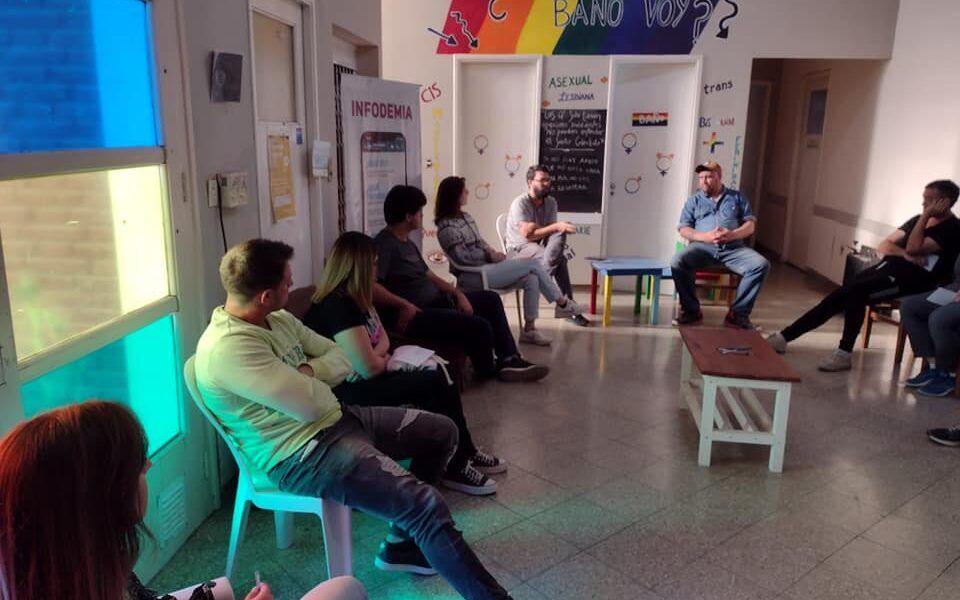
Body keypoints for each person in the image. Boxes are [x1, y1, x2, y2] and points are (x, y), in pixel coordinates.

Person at [195, 239, 513, 599]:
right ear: (265, 296)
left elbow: (341, 358)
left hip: (337, 420)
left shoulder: (277, 318)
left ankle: (402, 545)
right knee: (424, 505)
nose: (293, 283)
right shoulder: (229, 349)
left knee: (442, 431)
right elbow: (310, 404)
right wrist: (318, 380)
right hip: (302, 455)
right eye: (286, 281)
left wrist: (305, 372)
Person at [0, 400, 366, 600]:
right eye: (136, 465)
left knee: (222, 591)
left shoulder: (63, 564)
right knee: (344, 589)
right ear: (99, 501)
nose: (148, 464)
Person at [304, 231, 505, 496]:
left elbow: (382, 339)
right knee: (435, 381)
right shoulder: (337, 306)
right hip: (347, 393)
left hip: (367, 376)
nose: (376, 270)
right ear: (358, 267)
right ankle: (455, 465)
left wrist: (379, 355)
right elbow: (368, 368)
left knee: (440, 370)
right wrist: (381, 359)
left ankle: (464, 451)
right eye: (373, 264)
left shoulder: (359, 298)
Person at [768, 179, 960, 372]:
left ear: (945, 201)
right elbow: (884, 245)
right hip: (887, 270)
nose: (923, 203)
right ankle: (785, 337)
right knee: (843, 293)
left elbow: (913, 247)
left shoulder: (952, 228)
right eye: (924, 198)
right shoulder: (917, 219)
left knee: (856, 292)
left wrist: (924, 219)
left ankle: (842, 352)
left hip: (913, 281)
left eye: (929, 199)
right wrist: (904, 254)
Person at [373, 184, 549, 383]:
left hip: (436, 301)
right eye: (419, 211)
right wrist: (403, 305)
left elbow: (430, 276)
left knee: (490, 299)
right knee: (480, 326)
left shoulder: (407, 243)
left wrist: (458, 294)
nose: (422, 216)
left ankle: (509, 359)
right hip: (417, 313)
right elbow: (372, 287)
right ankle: (488, 370)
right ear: (408, 216)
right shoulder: (384, 245)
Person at [434, 175, 586, 346]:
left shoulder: (466, 217)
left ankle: (529, 331)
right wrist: (490, 257)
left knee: (532, 278)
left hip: (488, 267)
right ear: (454, 195)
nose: (467, 192)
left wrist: (492, 252)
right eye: (464, 190)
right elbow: (463, 258)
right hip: (474, 275)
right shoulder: (446, 227)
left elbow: (481, 242)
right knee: (532, 264)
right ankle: (563, 304)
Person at [670, 160, 770, 329]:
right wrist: (705, 237)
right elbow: (683, 228)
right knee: (677, 261)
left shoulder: (737, 197)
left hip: (733, 248)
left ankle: (737, 315)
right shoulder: (694, 200)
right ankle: (691, 311)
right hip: (702, 248)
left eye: (709, 177)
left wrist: (732, 235)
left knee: (761, 265)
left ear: (719, 177)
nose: (704, 181)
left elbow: (750, 225)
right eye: (701, 177)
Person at [504, 165, 590, 327]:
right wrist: (555, 227)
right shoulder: (520, 203)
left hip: (539, 247)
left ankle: (545, 277)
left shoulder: (551, 202)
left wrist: (554, 228)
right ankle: (566, 306)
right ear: (530, 182)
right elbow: (528, 235)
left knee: (559, 237)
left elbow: (549, 233)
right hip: (518, 249)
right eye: (542, 180)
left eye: (548, 180)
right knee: (559, 257)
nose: (547, 183)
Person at [898, 255, 960, 396]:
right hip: (956, 288)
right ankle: (932, 365)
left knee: (939, 318)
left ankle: (948, 373)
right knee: (909, 307)